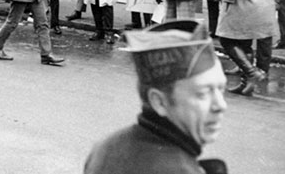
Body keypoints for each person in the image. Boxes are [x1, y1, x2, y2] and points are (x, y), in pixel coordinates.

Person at [83, 20, 228, 174]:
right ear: (159, 102)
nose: (220, 105)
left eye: (221, 89)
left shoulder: (105, 147)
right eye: (203, 93)